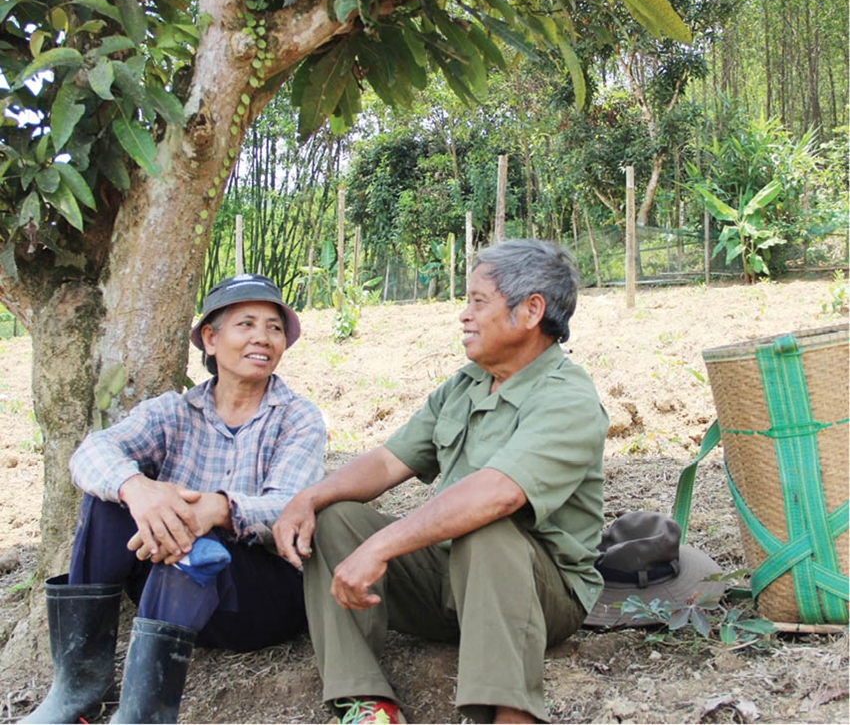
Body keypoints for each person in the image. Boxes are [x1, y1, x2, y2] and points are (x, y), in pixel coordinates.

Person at [273, 239, 609, 724]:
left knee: (487, 529)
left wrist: (381, 547)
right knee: (335, 519)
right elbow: (387, 462)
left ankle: (511, 714)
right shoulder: (466, 384)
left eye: (478, 301)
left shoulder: (567, 397)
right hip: (450, 580)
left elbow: (497, 495)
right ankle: (366, 703)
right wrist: (308, 497)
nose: (464, 315)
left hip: (539, 596)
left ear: (531, 310)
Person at [24, 273, 326, 724]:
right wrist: (139, 490)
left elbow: (290, 505)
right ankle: (77, 687)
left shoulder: (297, 418)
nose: (262, 338)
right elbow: (91, 453)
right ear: (211, 338)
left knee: (199, 540)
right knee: (108, 501)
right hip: (168, 601)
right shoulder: (174, 411)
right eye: (246, 324)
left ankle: (142, 717)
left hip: (256, 599)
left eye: (274, 327)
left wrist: (217, 509)